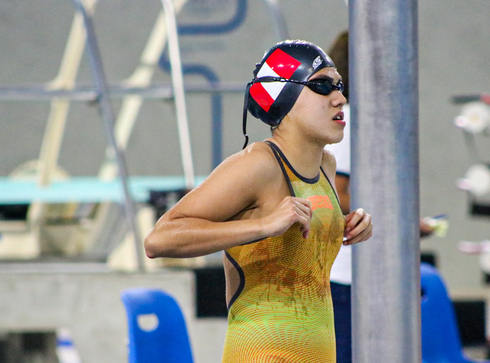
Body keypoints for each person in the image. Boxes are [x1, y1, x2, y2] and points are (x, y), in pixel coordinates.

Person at [144, 39, 373, 363]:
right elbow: (159, 239)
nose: (339, 98)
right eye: (322, 86)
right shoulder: (258, 165)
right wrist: (264, 226)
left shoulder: (326, 165)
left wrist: (348, 224)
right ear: (284, 97)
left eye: (339, 85)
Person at [325, 30, 435, 363]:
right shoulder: (347, 124)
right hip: (346, 276)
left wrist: (397, 222)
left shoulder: (367, 122)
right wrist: (389, 222)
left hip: (363, 273)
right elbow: (336, 194)